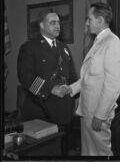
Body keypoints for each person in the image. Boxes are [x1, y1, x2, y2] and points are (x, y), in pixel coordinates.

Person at [63, 2, 120, 156]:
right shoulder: (99, 41)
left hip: (97, 113)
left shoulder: (112, 41)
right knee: (89, 153)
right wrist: (71, 89)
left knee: (101, 153)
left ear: (100, 20)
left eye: (89, 19)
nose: (87, 23)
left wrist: (100, 115)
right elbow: (89, 77)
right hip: (88, 110)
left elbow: (113, 85)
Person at [17, 8, 77, 154]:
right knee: (45, 152)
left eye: (58, 22)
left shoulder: (64, 47)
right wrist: (51, 89)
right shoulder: (30, 47)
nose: (58, 26)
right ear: (42, 25)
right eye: (52, 22)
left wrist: (74, 92)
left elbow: (72, 75)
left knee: (63, 150)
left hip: (64, 111)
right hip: (42, 109)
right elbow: (25, 77)